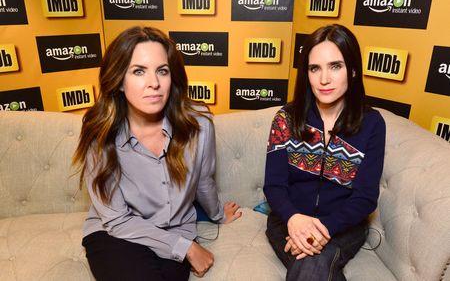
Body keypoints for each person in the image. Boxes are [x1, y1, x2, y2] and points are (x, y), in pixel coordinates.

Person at [73, 26, 242, 281]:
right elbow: (117, 220)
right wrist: (184, 248)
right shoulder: (100, 130)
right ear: (119, 80)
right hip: (116, 234)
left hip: (176, 228)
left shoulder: (199, 124)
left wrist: (218, 214)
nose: (154, 83)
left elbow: (203, 179)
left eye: (162, 71)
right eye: (139, 71)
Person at [263, 24, 386, 281]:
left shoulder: (372, 123)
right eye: (314, 68)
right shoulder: (285, 118)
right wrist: (294, 219)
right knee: (314, 265)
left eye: (335, 66)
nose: (324, 79)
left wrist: (323, 230)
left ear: (352, 70)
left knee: (311, 263)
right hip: (287, 220)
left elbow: (365, 198)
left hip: (343, 225)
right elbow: (274, 185)